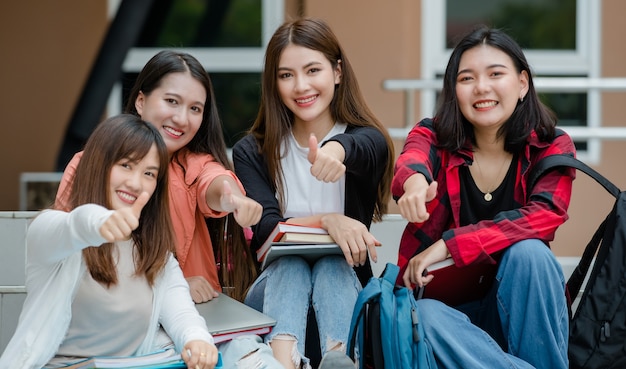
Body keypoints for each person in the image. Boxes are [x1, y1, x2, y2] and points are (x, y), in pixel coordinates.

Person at [393, 25, 575, 368]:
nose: (482, 88)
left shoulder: (551, 146)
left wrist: (449, 244)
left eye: (496, 74)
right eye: (466, 78)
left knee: (531, 254)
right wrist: (415, 183)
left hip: (524, 316)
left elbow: (546, 215)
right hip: (451, 327)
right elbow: (413, 160)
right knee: (425, 315)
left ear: (522, 83)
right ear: (453, 90)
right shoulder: (434, 135)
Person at [232, 18, 395, 369]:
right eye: (286, 75)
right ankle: (282, 362)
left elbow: (368, 145)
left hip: (345, 296)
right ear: (274, 83)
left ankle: (339, 360)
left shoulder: (365, 141)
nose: (301, 85)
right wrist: (329, 221)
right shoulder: (253, 152)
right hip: (273, 297)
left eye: (312, 70)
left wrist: (335, 151)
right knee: (290, 264)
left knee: (332, 265)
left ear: (337, 72)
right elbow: (265, 228)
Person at [0, 115, 218, 369]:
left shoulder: (156, 255)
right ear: (98, 165)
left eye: (149, 173)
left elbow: (182, 316)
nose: (135, 183)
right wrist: (100, 223)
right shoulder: (52, 234)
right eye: (126, 165)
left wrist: (198, 341)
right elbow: (73, 225)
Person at [55, 50, 262, 304]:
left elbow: (216, 182)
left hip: (197, 320)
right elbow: (65, 251)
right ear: (141, 101)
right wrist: (173, 288)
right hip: (110, 318)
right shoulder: (89, 164)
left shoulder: (193, 166)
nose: (182, 118)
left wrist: (236, 200)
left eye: (195, 108)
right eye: (172, 101)